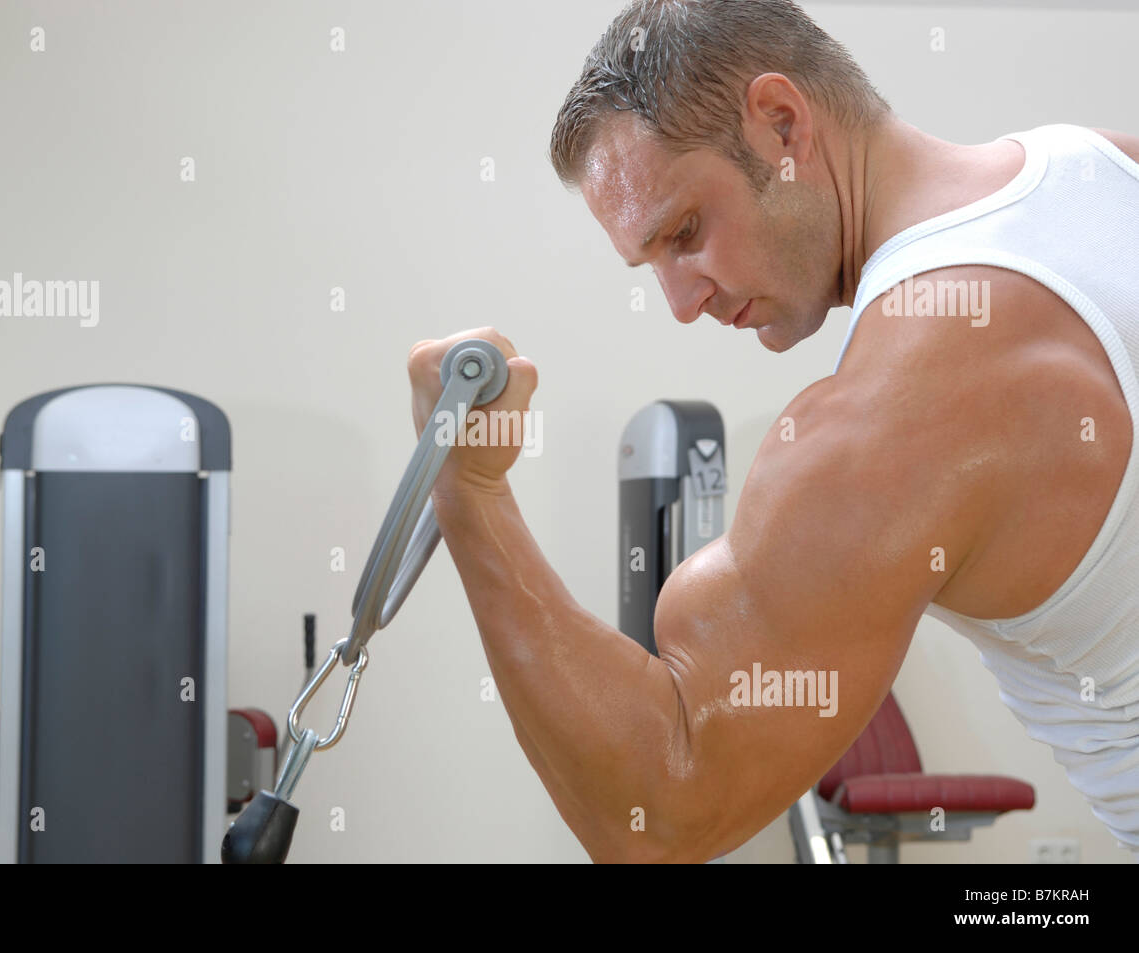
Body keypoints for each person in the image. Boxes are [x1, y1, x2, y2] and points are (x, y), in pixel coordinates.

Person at [406, 0, 1139, 862]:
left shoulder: (889, 417)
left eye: (685, 232)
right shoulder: (1100, 166)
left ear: (782, 124)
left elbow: (659, 809)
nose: (683, 304)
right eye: (653, 266)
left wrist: (468, 488)